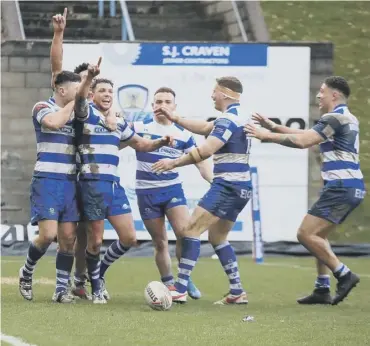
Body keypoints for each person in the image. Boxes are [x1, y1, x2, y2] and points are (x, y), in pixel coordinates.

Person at [245, 76, 365, 305]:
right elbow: (307, 134)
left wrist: (265, 135)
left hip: (341, 186)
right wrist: (273, 126)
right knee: (318, 236)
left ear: (334, 95)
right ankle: (322, 288)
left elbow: (303, 142)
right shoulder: (345, 117)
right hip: (349, 186)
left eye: (322, 91)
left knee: (305, 234)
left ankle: (344, 274)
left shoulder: (334, 117)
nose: (318, 95)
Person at [99, 87, 213, 300]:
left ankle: (183, 279)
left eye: (167, 102)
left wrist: (214, 182)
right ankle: (169, 283)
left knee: (184, 233)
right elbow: (115, 144)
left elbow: (200, 162)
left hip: (172, 190)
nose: (162, 105)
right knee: (160, 242)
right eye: (158, 102)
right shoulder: (140, 127)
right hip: (146, 193)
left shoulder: (184, 134)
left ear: (174, 107)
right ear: (152, 106)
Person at [73, 61, 174, 303]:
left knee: (129, 238)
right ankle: (95, 287)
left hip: (113, 186)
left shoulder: (119, 121)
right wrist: (89, 78)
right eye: (102, 91)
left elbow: (140, 144)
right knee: (94, 241)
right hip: (91, 184)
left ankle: (99, 274)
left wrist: (160, 142)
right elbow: (78, 100)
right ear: (92, 94)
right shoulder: (86, 113)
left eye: (110, 91)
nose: (107, 94)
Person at [151, 76, 250, 305]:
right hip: (242, 187)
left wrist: (173, 163)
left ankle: (180, 288)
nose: (212, 95)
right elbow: (205, 127)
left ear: (225, 93)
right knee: (218, 237)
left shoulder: (227, 120)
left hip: (227, 184)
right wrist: (176, 117)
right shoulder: (236, 117)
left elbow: (206, 150)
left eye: (215, 91)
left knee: (190, 230)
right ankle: (237, 291)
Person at [19, 70, 81, 303]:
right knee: (47, 235)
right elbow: (53, 123)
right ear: (62, 90)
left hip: (70, 182)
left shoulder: (79, 113)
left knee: (67, 238)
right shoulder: (42, 107)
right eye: (76, 91)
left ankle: (61, 290)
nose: (80, 95)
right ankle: (26, 271)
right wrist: (75, 102)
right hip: (47, 180)